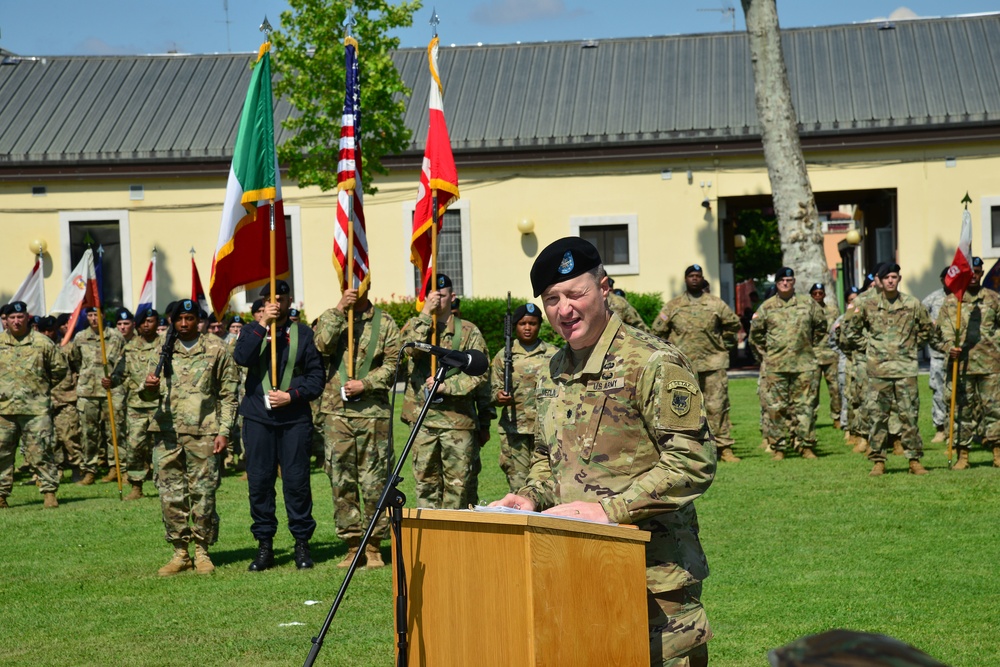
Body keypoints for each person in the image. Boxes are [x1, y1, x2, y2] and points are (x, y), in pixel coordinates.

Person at [491, 237, 715, 666]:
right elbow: (546, 455)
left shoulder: (652, 362)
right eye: (552, 299)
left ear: (605, 287)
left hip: (651, 579)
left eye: (576, 293)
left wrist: (610, 511)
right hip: (575, 568)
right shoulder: (553, 370)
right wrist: (531, 495)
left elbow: (693, 462)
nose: (564, 309)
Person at [232, 280, 325, 571]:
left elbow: (316, 378)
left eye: (282, 298)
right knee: (260, 483)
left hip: (293, 419)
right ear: (262, 303)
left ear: (289, 301)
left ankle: (301, 544)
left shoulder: (303, 334)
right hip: (259, 419)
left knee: (297, 483)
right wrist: (263, 326)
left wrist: (292, 395)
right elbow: (241, 357)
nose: (278, 303)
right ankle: (265, 546)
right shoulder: (251, 331)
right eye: (271, 299)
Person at [143, 300, 238, 575]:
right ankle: (180, 552)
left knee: (203, 494)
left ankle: (202, 551)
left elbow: (229, 395)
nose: (184, 324)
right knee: (170, 495)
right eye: (179, 319)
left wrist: (224, 431)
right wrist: (148, 387)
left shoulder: (216, 348)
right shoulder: (162, 347)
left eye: (189, 318)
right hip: (167, 432)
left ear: (199, 320)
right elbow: (147, 391)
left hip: (204, 432)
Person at [314, 286, 401, 569]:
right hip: (336, 414)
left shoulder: (385, 323)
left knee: (375, 481)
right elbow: (320, 347)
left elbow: (396, 363)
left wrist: (367, 382)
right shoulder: (329, 317)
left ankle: (374, 546)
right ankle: (353, 545)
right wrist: (339, 310)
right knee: (341, 481)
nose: (353, 288)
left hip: (372, 414)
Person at [400, 274, 489, 509]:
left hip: (457, 423)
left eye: (442, 294)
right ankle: (430, 543)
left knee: (458, 488)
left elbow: (481, 373)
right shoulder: (415, 326)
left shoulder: (469, 331)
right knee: (425, 486)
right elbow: (408, 351)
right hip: (423, 422)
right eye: (432, 294)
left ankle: (455, 543)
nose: (437, 299)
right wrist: (424, 315)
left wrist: (447, 386)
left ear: (452, 296)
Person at [844, 263, 933, 476]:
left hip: (905, 369)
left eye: (894, 276)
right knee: (877, 416)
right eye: (887, 278)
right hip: (878, 370)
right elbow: (850, 330)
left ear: (899, 279)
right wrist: (870, 347)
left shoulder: (912, 304)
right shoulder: (867, 303)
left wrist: (911, 346)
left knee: (909, 415)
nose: (891, 280)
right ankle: (878, 461)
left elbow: (927, 328)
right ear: (880, 281)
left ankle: (914, 460)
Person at [652, 264, 742, 462]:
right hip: (683, 366)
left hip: (713, 364)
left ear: (702, 279)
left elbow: (733, 325)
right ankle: (687, 449)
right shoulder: (673, 306)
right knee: (683, 408)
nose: (695, 278)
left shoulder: (716, 304)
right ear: (685, 279)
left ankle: (724, 448)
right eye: (691, 276)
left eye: (698, 276)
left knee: (717, 406)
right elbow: (657, 331)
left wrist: (723, 347)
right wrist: (669, 354)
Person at [749, 268, 828, 460]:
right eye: (782, 280)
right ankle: (778, 447)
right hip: (776, 366)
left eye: (789, 280)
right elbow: (755, 336)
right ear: (776, 284)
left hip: (804, 365)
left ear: (794, 282)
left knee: (805, 407)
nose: (785, 283)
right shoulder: (766, 307)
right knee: (776, 408)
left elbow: (821, 326)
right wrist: (767, 356)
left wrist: (808, 347)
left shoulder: (808, 303)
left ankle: (805, 445)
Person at [934, 257, 1000, 469]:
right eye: (970, 271)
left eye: (978, 272)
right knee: (962, 410)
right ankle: (963, 454)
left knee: (995, 409)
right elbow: (940, 333)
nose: (974, 275)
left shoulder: (993, 299)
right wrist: (947, 348)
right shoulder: (952, 301)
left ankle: (997, 451)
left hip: (990, 364)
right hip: (961, 365)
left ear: (982, 274)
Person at [0, 302, 67, 509]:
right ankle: (1, 495)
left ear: (27, 318)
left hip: (35, 409)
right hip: (4, 409)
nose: (16, 321)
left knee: (41, 451)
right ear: (6, 320)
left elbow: (59, 369)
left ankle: (49, 492)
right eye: (12, 318)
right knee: (1, 453)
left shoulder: (42, 343)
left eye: (20, 317)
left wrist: (40, 388)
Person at [490, 303, 555, 491]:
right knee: (518, 483)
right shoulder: (503, 356)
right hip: (514, 429)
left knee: (545, 483)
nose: (528, 328)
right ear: (515, 326)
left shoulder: (553, 354)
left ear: (539, 325)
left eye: (533, 323)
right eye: (523, 323)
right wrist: (498, 396)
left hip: (544, 429)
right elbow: (492, 389)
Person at [70, 306, 126, 485]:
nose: (94, 318)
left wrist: (114, 378)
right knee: (88, 433)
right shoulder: (80, 338)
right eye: (90, 315)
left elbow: (124, 363)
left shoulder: (116, 337)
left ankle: (117, 468)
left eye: (97, 314)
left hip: (112, 389)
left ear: (103, 315)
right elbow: (75, 361)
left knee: (115, 432)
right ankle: (90, 470)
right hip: (88, 391)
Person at [121, 308, 161, 500]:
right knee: (135, 446)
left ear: (157, 323)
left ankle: (166, 484)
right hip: (136, 405)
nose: (147, 325)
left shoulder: (166, 346)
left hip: (160, 404)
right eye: (144, 321)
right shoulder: (129, 347)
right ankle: (136, 485)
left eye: (151, 321)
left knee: (163, 447)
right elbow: (121, 372)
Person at [922, 268, 950, 444]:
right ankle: (940, 429)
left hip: (960, 354)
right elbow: (919, 314)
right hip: (938, 354)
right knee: (939, 391)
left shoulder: (964, 297)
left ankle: (958, 430)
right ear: (941, 280)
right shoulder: (933, 298)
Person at [808, 283, 842, 429]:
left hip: (830, 355)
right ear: (811, 295)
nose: (817, 295)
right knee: (812, 390)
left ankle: (837, 417)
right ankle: (811, 418)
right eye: (815, 293)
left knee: (835, 389)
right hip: (813, 355)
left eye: (820, 293)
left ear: (824, 295)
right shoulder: (806, 312)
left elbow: (838, 330)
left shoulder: (832, 311)